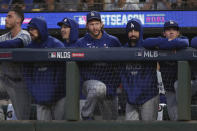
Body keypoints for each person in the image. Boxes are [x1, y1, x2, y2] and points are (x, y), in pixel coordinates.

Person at [77, 11, 121, 120]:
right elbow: (78, 69)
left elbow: (120, 65)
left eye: (97, 23)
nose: (94, 27)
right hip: (89, 84)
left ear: (101, 24)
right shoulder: (80, 43)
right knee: (98, 87)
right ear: (87, 26)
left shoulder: (113, 41)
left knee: (112, 122)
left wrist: (114, 86)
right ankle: (86, 115)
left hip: (110, 86)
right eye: (91, 24)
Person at [143, 20, 189, 120]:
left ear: (178, 33)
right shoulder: (161, 40)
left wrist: (166, 44)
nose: (171, 32)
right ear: (164, 33)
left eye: (174, 30)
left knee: (183, 115)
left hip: (184, 87)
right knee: (174, 117)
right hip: (168, 88)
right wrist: (168, 43)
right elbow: (146, 42)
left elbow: (185, 43)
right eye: (168, 30)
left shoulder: (183, 39)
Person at [24, 17, 66, 120]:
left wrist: (53, 92)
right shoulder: (29, 48)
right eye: (29, 29)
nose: (30, 32)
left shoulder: (56, 45)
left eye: (33, 29)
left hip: (59, 96)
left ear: (41, 28)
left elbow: (62, 73)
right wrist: (35, 92)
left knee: (61, 127)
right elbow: (27, 74)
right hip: (40, 97)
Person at [120, 18, 159, 121]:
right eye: (130, 31)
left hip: (148, 97)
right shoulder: (122, 50)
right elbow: (123, 76)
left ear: (140, 32)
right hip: (131, 99)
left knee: (148, 129)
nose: (133, 33)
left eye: (136, 31)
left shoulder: (148, 46)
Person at [0, 7, 32, 120]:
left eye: (9, 16)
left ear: (18, 20)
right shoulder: (4, 37)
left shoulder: (25, 35)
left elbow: (15, 44)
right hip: (4, 80)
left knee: (23, 119)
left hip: (20, 83)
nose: (6, 19)